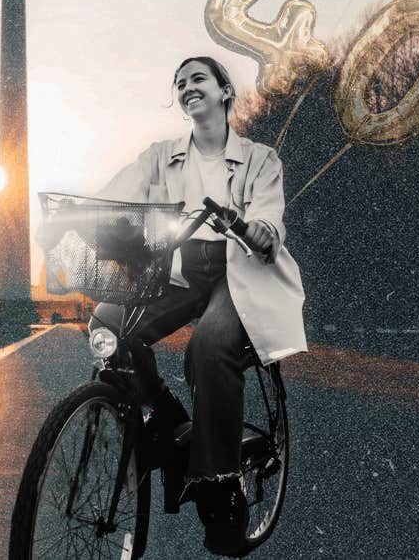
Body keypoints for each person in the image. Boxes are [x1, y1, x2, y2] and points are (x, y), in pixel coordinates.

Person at [96, 56, 306, 557]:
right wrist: (87, 215)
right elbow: (116, 194)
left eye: (198, 79)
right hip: (178, 267)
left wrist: (260, 229)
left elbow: (271, 220)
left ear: (224, 90)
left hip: (239, 271)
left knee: (210, 347)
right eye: (180, 83)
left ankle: (220, 489)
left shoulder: (260, 159)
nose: (187, 87)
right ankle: (169, 423)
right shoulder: (161, 155)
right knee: (107, 323)